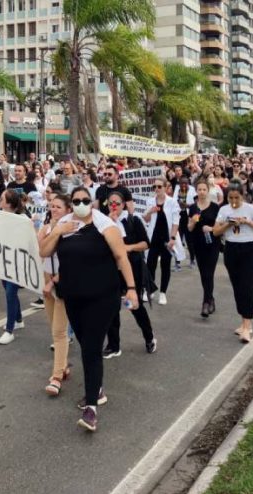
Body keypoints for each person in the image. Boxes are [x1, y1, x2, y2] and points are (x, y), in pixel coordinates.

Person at [39, 186, 139, 432]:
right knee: (86, 346)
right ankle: (98, 388)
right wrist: (58, 230)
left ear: (92, 203)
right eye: (76, 200)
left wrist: (132, 288)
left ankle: (91, 407)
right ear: (71, 203)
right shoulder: (64, 223)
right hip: (73, 298)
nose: (81, 204)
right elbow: (44, 251)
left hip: (102, 297)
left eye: (85, 200)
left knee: (92, 349)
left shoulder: (105, 225)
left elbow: (121, 257)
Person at [213, 182, 253, 343]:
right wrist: (228, 224)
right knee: (237, 287)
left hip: (249, 251)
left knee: (247, 287)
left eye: (236, 197)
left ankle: (247, 326)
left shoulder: (250, 208)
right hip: (231, 250)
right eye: (230, 198)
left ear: (242, 196)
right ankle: (244, 321)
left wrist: (247, 222)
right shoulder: (224, 210)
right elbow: (216, 231)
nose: (233, 201)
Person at [104, 191, 157, 358]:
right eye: (110, 203)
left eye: (117, 203)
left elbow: (146, 244)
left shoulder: (132, 220)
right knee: (111, 308)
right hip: (112, 271)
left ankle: (149, 337)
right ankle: (114, 345)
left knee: (134, 306)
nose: (114, 206)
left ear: (124, 205)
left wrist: (128, 248)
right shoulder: (104, 222)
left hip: (131, 270)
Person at [37, 194, 72, 395]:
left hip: (62, 284)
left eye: (58, 206)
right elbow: (40, 249)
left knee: (59, 331)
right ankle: (64, 366)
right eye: (51, 206)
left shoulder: (71, 230)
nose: (54, 209)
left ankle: (57, 376)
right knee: (54, 328)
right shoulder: (47, 228)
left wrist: (52, 282)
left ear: (68, 210)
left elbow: (71, 262)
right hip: (46, 284)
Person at [142, 178, 181, 305]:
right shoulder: (150, 201)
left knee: (165, 265)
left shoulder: (172, 202)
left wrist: (173, 238)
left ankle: (163, 293)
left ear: (165, 187)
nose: (157, 189)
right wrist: (150, 211)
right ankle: (150, 289)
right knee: (150, 264)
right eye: (155, 187)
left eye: (159, 186)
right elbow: (147, 220)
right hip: (153, 238)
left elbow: (175, 222)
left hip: (166, 238)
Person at [0, 189, 28, 345]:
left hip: (16, 263)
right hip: (3, 260)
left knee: (10, 294)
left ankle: (10, 330)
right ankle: (18, 319)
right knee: (8, 290)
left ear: (9, 203)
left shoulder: (22, 219)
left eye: (2, 198)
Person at [188, 179, 221, 318]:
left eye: (204, 189)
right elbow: (189, 228)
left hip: (212, 244)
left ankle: (205, 303)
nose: (201, 192)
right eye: (199, 189)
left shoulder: (215, 207)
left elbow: (221, 227)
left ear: (208, 191)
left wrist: (211, 228)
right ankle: (210, 299)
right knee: (203, 274)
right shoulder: (193, 208)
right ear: (196, 191)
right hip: (198, 243)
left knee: (209, 273)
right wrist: (193, 221)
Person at [173, 176, 197, 269]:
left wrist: (187, 205)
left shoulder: (192, 190)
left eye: (185, 183)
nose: (183, 185)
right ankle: (177, 262)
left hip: (188, 217)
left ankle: (192, 260)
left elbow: (196, 203)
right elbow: (174, 202)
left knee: (189, 240)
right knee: (177, 240)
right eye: (181, 183)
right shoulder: (177, 190)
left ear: (188, 183)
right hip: (179, 217)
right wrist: (178, 204)